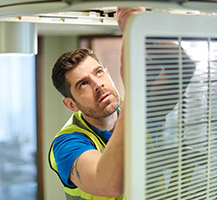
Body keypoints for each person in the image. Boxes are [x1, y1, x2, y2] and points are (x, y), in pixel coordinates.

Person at [48, 7, 145, 200]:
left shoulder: (136, 110)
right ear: (71, 104)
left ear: (108, 73)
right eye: (83, 84)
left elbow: (183, 67)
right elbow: (109, 185)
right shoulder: (67, 144)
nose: (98, 85)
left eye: (98, 72)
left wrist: (142, 25)